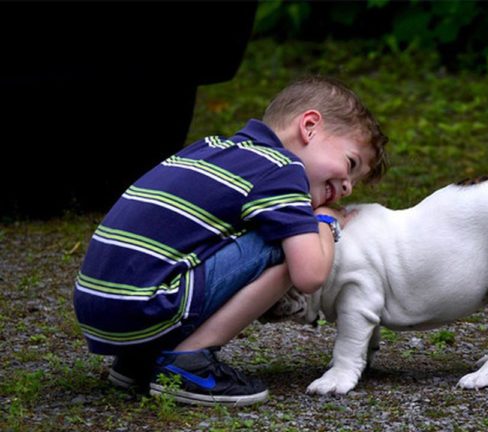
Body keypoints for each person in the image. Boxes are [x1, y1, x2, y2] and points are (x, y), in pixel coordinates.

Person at [73, 76, 388, 406]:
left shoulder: (209, 148)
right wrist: (323, 221)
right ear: (309, 126)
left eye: (354, 182)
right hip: (146, 306)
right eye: (350, 164)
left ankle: (139, 362)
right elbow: (309, 275)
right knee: (286, 241)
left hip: (99, 308)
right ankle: (188, 362)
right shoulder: (282, 170)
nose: (348, 188)